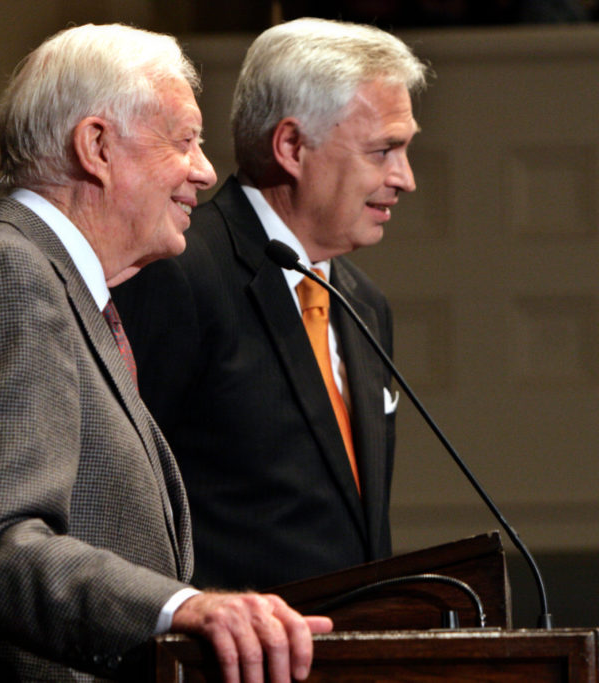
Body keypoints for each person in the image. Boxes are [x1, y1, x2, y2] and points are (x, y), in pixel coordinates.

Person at [0, 23, 330, 683]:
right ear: (96, 145)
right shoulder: (2, 275)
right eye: (185, 141)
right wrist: (180, 607)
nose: (205, 170)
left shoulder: (65, 294)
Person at [112, 18, 429, 590]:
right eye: (383, 150)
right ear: (291, 146)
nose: (404, 178)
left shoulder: (364, 302)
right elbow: (122, 501)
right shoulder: (180, 274)